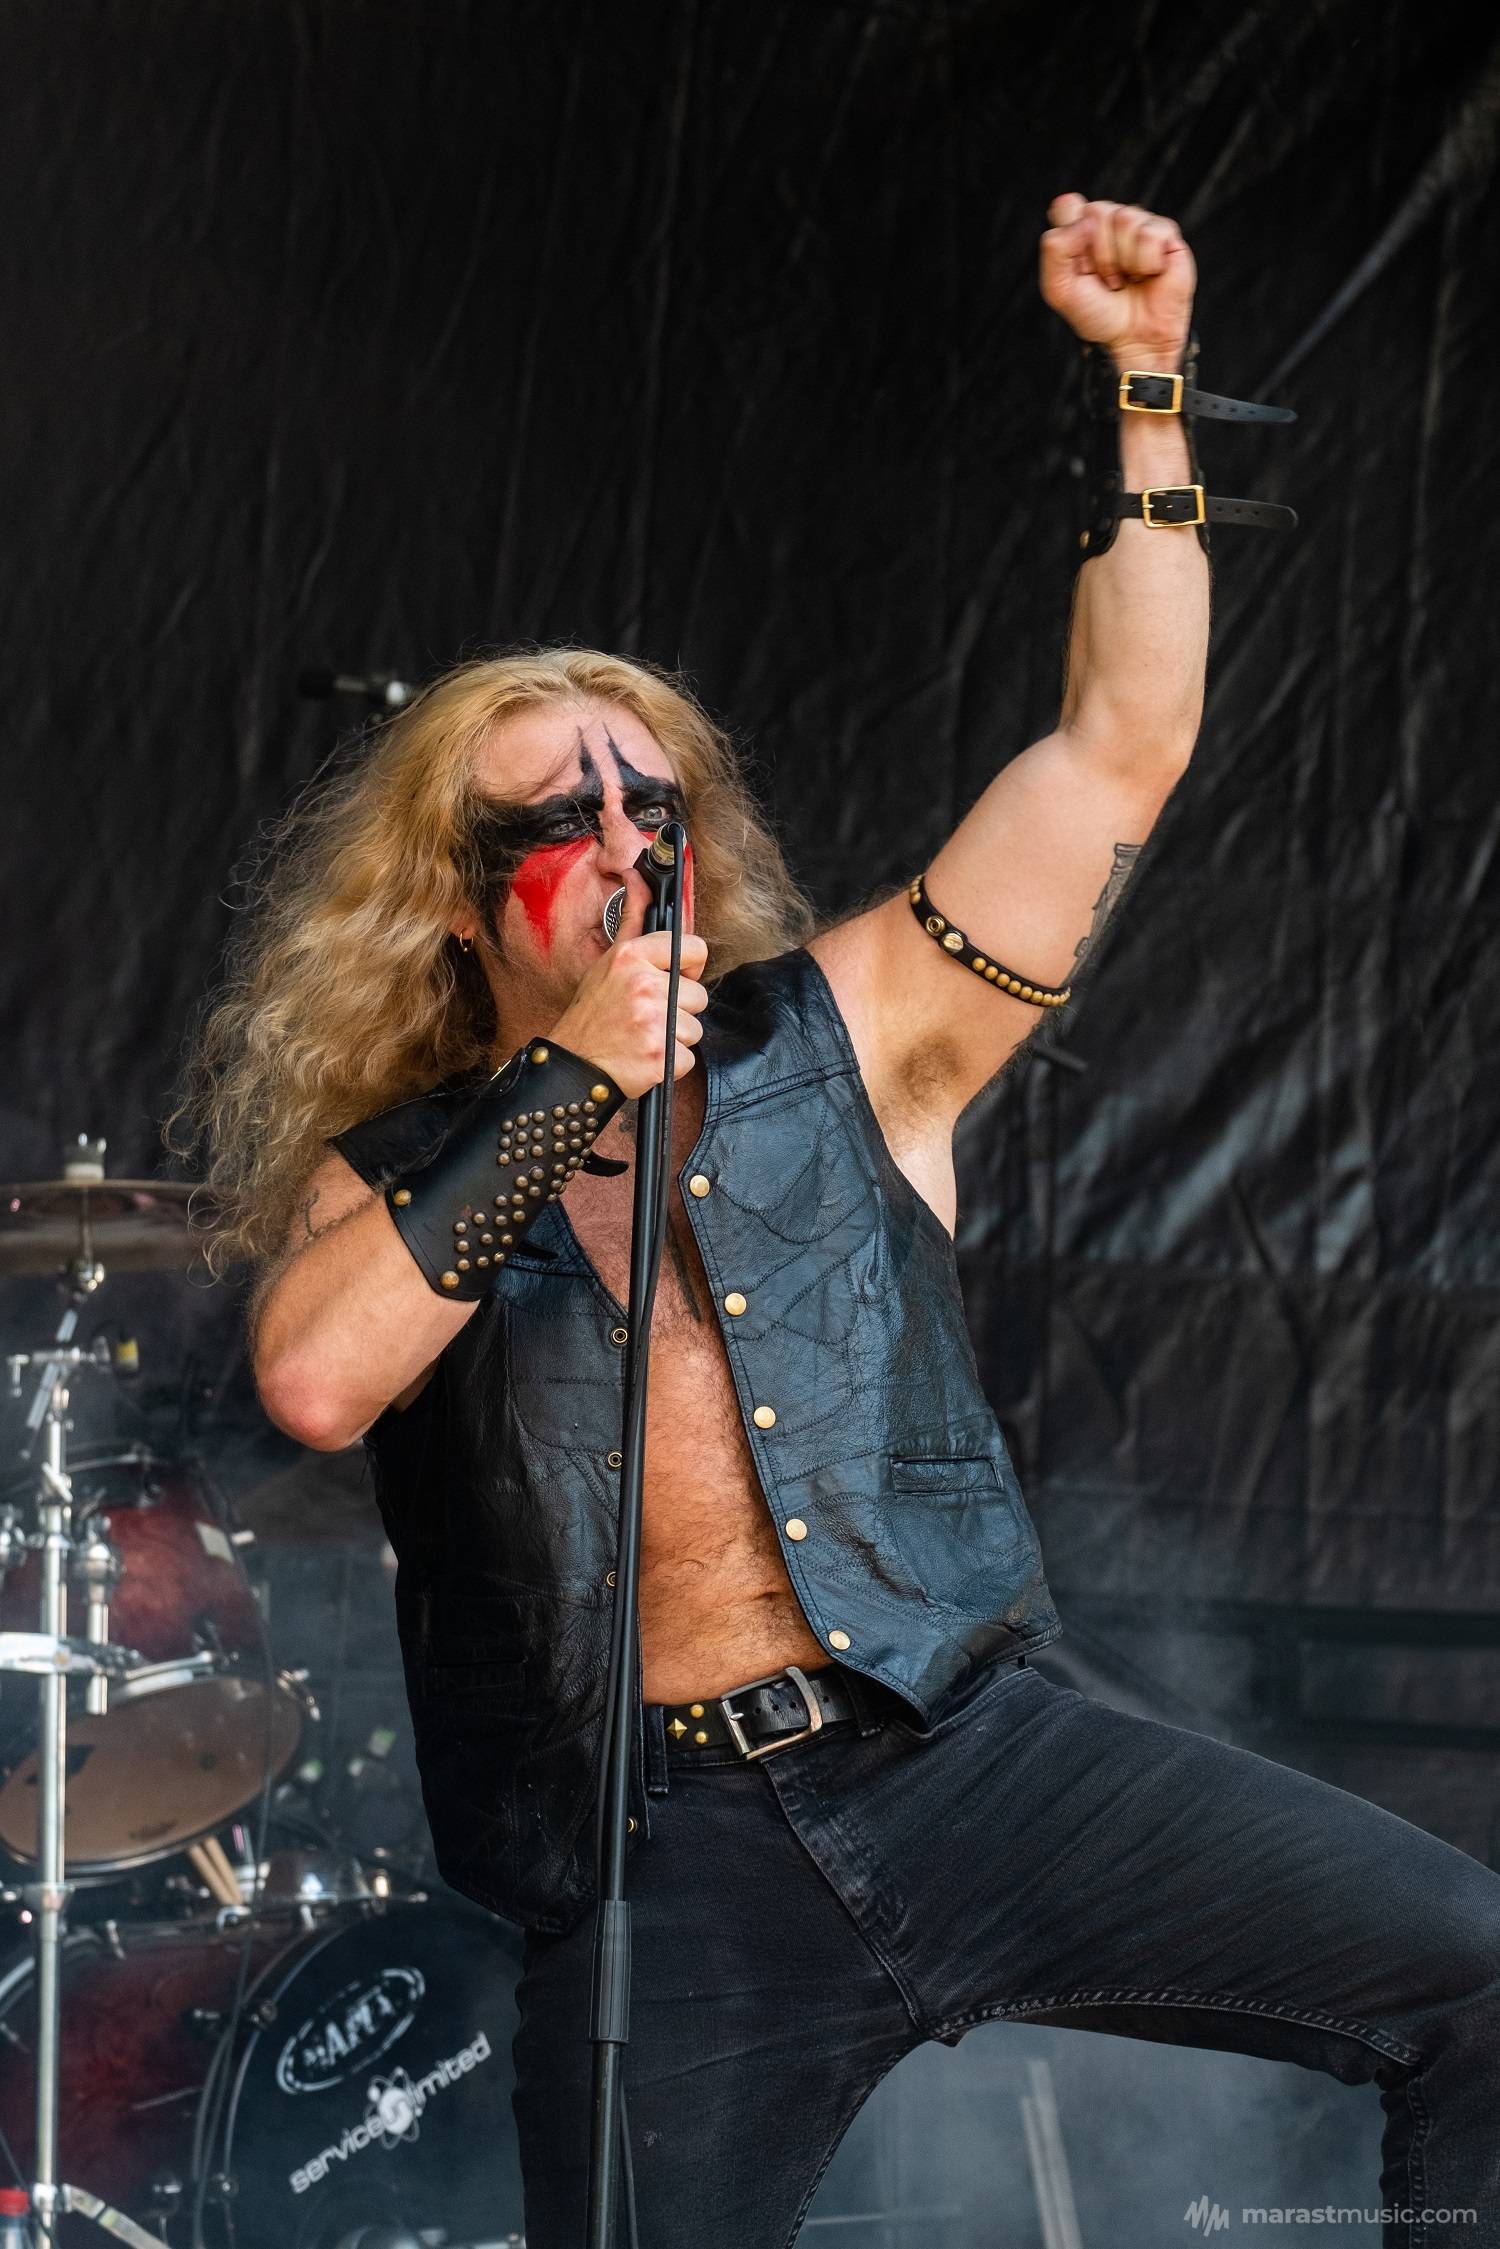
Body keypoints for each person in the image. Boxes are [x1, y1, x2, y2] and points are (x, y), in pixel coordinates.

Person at [179, 196, 1500, 2248]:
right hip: (662, 1863)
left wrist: (1150, 389)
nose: (627, 844)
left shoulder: (852, 1032)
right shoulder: (407, 1166)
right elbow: (316, 1380)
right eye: (560, 822)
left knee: (1477, 1969)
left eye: (654, 805)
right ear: (454, 894)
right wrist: (571, 1080)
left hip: (962, 1752)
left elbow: (1119, 747)